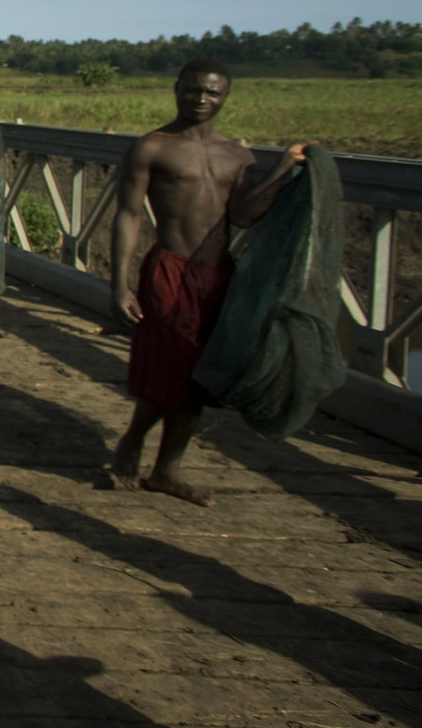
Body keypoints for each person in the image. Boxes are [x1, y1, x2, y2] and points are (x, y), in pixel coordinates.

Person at [108, 58, 305, 506]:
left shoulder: (239, 156)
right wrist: (119, 283)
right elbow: (129, 213)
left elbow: (244, 214)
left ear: (225, 96)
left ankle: (166, 470)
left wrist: (283, 168)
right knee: (171, 365)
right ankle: (135, 439)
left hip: (217, 274)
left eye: (211, 93)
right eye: (193, 90)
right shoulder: (153, 147)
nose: (201, 99)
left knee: (199, 375)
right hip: (169, 268)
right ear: (176, 89)